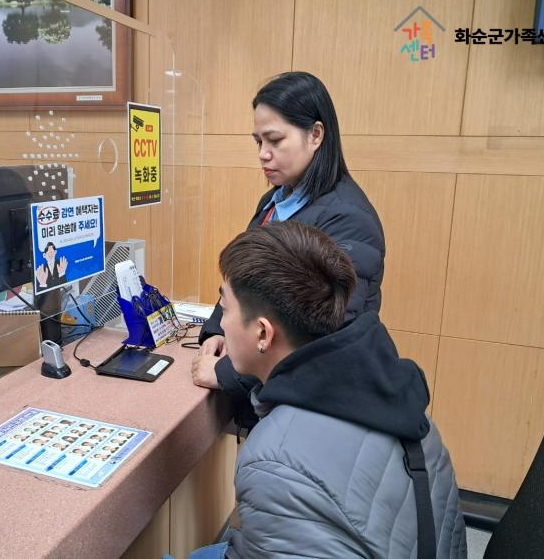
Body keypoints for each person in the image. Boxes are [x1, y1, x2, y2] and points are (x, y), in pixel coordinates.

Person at [181, 221, 465, 558]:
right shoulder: (399, 400)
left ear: (263, 334)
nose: (222, 324)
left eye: (225, 308)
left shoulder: (275, 459)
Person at [191, 72, 385, 431]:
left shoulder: (348, 220)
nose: (263, 154)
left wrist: (227, 373)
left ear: (316, 134)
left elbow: (318, 334)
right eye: (258, 141)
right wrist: (218, 332)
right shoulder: (274, 201)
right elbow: (242, 280)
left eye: (275, 140)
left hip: (311, 405)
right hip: (269, 394)